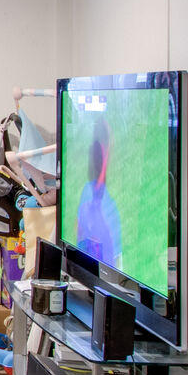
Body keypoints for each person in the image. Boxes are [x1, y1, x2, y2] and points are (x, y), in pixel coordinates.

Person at [75, 115, 122, 269]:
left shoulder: (88, 192)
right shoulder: (93, 195)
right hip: (97, 263)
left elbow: (79, 232)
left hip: (93, 264)